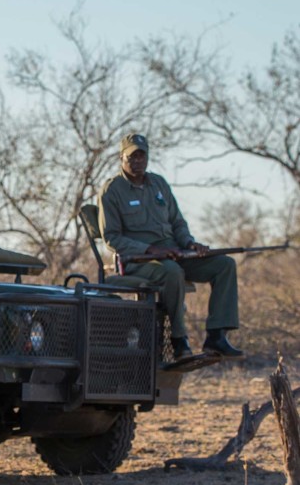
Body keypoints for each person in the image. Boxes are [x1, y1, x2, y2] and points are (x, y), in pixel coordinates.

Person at [98, 133, 243, 360]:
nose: (137, 161)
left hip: (174, 251)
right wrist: (150, 250)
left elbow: (177, 222)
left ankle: (217, 336)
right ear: (121, 158)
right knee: (172, 272)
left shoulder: (159, 184)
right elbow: (112, 238)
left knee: (224, 265)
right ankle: (178, 340)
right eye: (132, 157)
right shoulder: (112, 190)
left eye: (141, 156)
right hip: (137, 260)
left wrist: (189, 243)